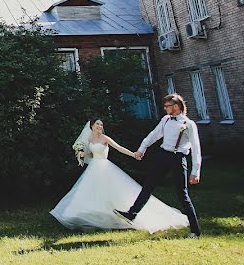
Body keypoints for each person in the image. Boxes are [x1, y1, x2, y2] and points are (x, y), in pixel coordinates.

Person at [50, 118, 189, 233]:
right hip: (93, 168)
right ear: (92, 126)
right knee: (90, 192)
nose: (100, 126)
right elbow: (92, 154)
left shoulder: (105, 138)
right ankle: (92, 216)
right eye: (97, 124)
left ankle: (117, 216)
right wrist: (82, 154)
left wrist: (134, 154)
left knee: (111, 193)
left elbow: (119, 148)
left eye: (101, 124)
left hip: (104, 168)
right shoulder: (89, 138)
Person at [114, 93, 202, 238]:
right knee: (148, 185)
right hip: (162, 155)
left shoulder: (188, 124)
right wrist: (142, 149)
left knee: (182, 194)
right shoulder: (166, 120)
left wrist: (196, 171)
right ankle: (132, 214)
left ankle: (195, 231)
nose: (165, 108)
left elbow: (196, 148)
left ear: (176, 106)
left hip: (178, 158)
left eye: (167, 106)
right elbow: (153, 135)